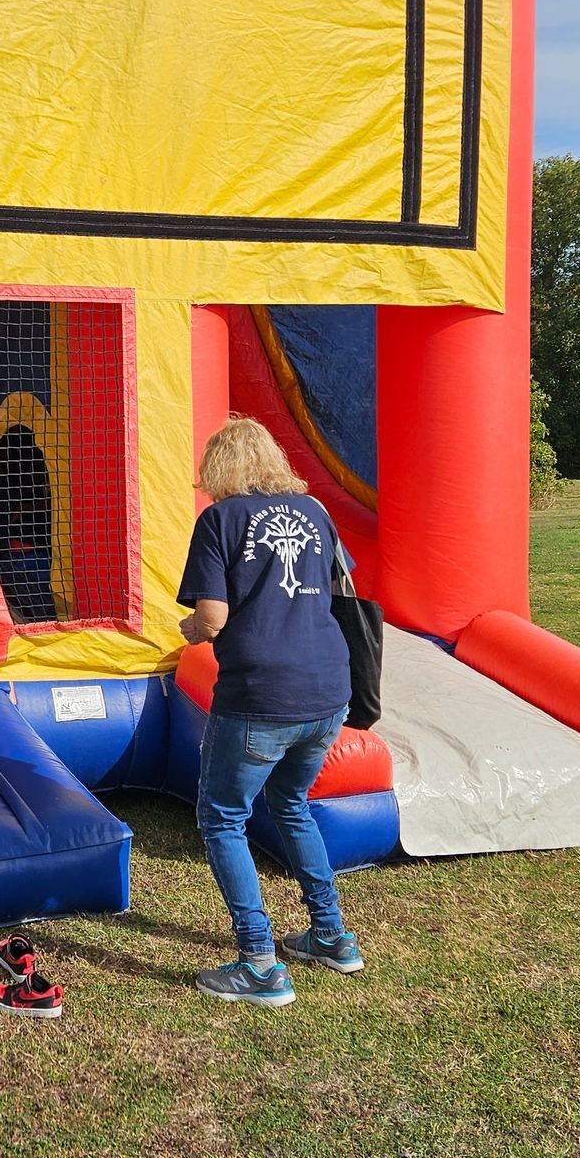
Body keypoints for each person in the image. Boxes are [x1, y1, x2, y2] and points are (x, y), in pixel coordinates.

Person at [176, 418, 364, 1007]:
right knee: (290, 802)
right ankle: (331, 936)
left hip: (261, 694)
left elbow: (213, 617)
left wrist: (190, 631)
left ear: (218, 469)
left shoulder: (220, 520)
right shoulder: (317, 513)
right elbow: (341, 588)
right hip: (329, 688)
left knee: (222, 819)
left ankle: (259, 962)